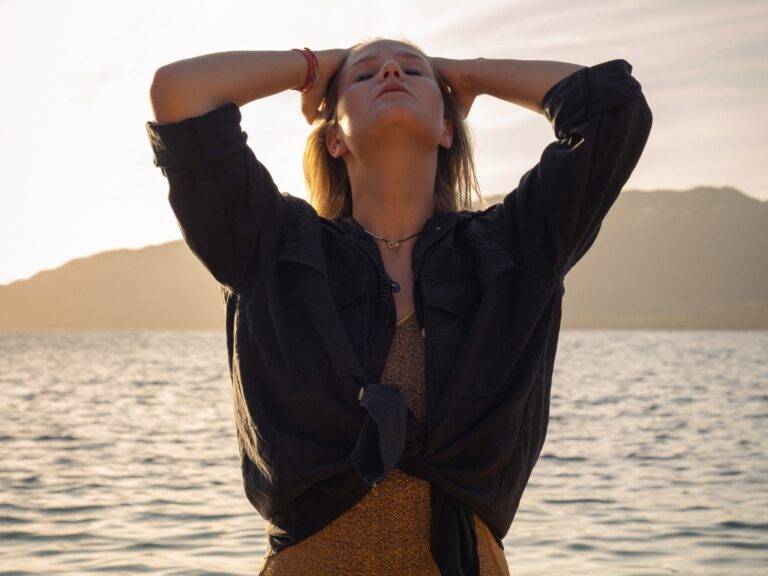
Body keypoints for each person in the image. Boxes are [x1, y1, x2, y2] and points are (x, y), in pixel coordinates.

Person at [146, 37, 652, 576]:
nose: (390, 70)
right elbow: (180, 93)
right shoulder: (271, 248)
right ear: (334, 139)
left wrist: (470, 73)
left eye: (413, 70)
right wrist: (313, 67)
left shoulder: (514, 251)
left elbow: (612, 109)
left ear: (447, 130)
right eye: (363, 77)